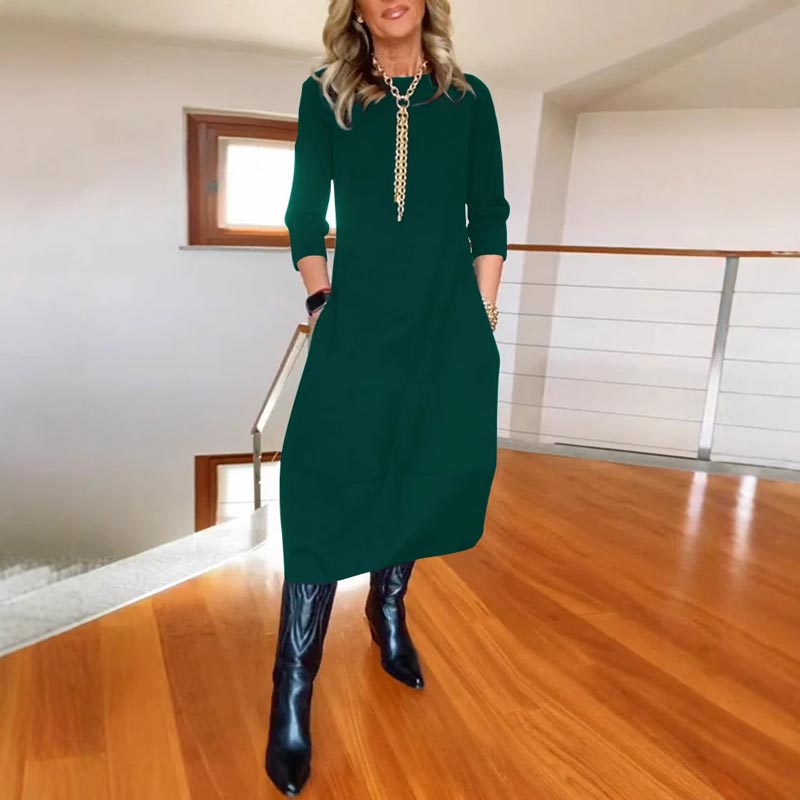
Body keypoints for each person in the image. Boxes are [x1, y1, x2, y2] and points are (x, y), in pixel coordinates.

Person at [266, 0, 510, 795]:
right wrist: (320, 300)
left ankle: (389, 609)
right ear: (358, 8)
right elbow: (304, 211)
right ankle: (293, 685)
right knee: (320, 478)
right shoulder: (326, 93)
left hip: (446, 322)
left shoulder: (468, 99)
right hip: (358, 320)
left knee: (419, 461)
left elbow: (489, 215)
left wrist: (482, 315)